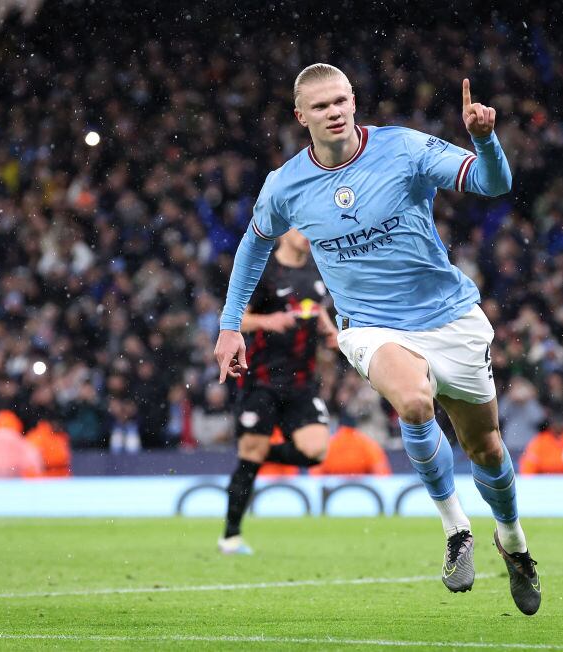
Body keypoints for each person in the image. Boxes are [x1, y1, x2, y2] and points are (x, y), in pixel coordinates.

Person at [213, 64, 541, 615]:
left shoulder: (404, 148)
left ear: (354, 101)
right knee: (413, 402)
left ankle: (513, 543)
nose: (334, 111)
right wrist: (229, 324)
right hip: (371, 325)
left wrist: (485, 141)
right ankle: (456, 529)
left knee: (485, 447)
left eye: (341, 100)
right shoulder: (286, 185)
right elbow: (253, 246)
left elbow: (494, 184)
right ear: (301, 117)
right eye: (321, 106)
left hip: (450, 316)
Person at [218, 228, 337, 556]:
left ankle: (253, 452)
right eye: (300, 228)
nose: (307, 235)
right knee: (251, 458)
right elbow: (235, 320)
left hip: (302, 382)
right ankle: (230, 536)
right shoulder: (264, 271)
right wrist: (269, 321)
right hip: (261, 380)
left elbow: (315, 305)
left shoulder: (318, 267)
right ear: (283, 234)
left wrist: (328, 327)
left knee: (315, 451)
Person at [310, 420, 392, 476]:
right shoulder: (367, 444)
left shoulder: (330, 445)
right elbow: (382, 474)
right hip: (363, 495)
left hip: (332, 495)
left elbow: (316, 475)